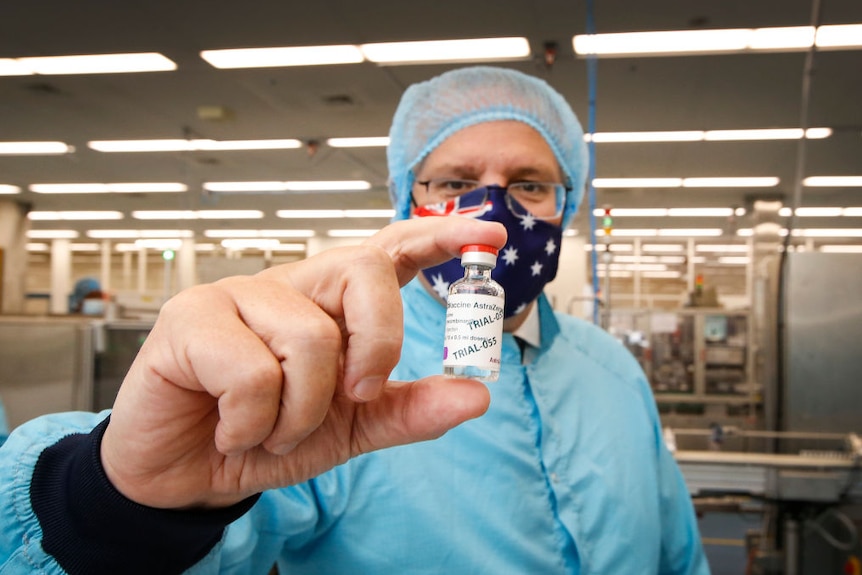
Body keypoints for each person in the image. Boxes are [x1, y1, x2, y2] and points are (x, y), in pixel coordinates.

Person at [0, 66, 708, 574]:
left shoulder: (611, 368)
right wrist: (116, 499)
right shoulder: (339, 372)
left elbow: (678, 552)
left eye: (529, 184)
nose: (494, 212)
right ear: (408, 200)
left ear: (568, 205)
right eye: (456, 184)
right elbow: (213, 546)